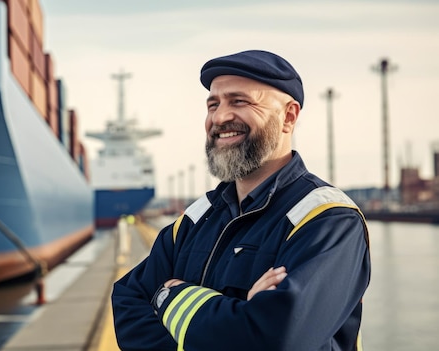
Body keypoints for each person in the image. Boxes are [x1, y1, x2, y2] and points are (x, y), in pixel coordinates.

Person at [111, 50, 371, 351]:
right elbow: (127, 305)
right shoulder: (194, 221)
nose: (220, 117)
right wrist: (240, 316)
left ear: (289, 116)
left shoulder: (328, 220)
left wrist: (172, 298)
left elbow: (276, 340)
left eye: (239, 101)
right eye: (213, 105)